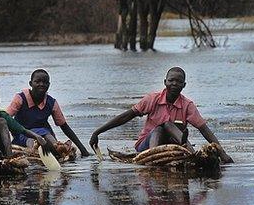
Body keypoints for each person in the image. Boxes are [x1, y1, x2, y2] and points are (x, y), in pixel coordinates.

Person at [89, 67, 233, 163]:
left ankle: (190, 153)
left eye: (178, 81)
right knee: (162, 126)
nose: (174, 84)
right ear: (165, 82)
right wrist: (98, 132)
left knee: (170, 126)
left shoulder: (187, 105)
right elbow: (126, 116)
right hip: (147, 146)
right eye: (171, 80)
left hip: (173, 144)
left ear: (184, 85)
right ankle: (155, 156)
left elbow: (204, 130)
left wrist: (222, 153)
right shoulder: (153, 99)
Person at [6, 69, 93, 158]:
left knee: (50, 139)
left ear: (49, 85)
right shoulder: (20, 98)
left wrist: (83, 149)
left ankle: (57, 148)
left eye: (45, 82)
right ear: (30, 83)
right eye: (37, 81)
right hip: (23, 135)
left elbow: (64, 126)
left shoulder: (51, 102)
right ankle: (39, 151)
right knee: (33, 141)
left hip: (45, 135)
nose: (41, 84)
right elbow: (6, 118)